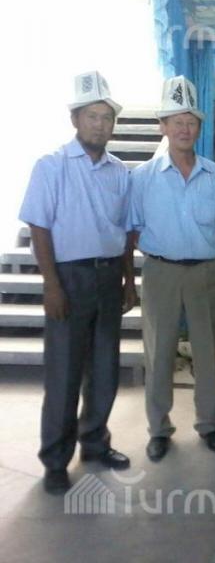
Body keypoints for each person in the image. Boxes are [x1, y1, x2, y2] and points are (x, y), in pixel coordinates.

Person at [19, 71, 135, 494]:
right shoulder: (51, 166)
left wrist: (128, 279)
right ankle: (55, 459)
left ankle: (95, 443)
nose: (100, 125)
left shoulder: (120, 172)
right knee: (64, 374)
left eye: (106, 117)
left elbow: (126, 231)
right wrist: (51, 284)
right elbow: (39, 227)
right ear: (75, 120)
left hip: (108, 276)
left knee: (104, 369)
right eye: (91, 116)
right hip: (69, 278)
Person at [129, 76, 215, 461]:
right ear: (163, 126)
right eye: (176, 122)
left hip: (206, 271)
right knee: (159, 353)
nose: (184, 129)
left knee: (207, 351)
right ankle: (159, 429)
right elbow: (133, 229)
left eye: (191, 122)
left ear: (199, 128)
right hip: (161, 273)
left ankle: (210, 425)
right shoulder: (142, 178)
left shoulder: (214, 174)